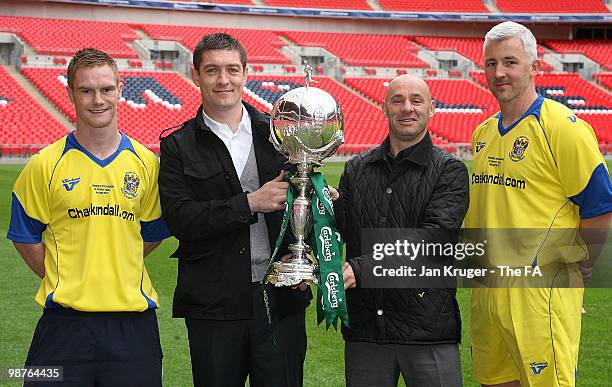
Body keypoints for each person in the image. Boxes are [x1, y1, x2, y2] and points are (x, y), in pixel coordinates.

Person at [7, 48, 170, 386]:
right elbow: (24, 235)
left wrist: (113, 263)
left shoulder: (147, 164)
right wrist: (66, 274)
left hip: (132, 326)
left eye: (106, 89)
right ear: (71, 93)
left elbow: (154, 231)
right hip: (62, 325)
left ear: (120, 90)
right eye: (86, 90)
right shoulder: (44, 164)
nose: (98, 99)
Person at [158, 33, 310, 387]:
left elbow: (302, 207)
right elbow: (181, 218)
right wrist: (249, 203)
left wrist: (307, 261)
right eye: (212, 70)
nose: (223, 80)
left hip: (279, 299)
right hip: (213, 305)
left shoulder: (281, 135)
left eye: (231, 69)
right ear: (196, 75)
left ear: (246, 73)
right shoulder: (178, 146)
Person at [466, 21, 612, 387]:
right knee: (494, 382)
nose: (499, 72)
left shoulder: (564, 128)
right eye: (491, 63)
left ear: (534, 66)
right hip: (487, 291)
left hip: (538, 294)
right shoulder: (482, 133)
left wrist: (580, 269)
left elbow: (599, 208)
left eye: (510, 62)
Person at [336, 74, 469, 387]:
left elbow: (434, 240)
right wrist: (321, 203)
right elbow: (343, 231)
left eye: (416, 100)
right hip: (366, 330)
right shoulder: (356, 169)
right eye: (397, 100)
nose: (406, 108)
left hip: (426, 330)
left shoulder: (449, 170)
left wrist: (362, 268)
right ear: (384, 108)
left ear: (431, 108)